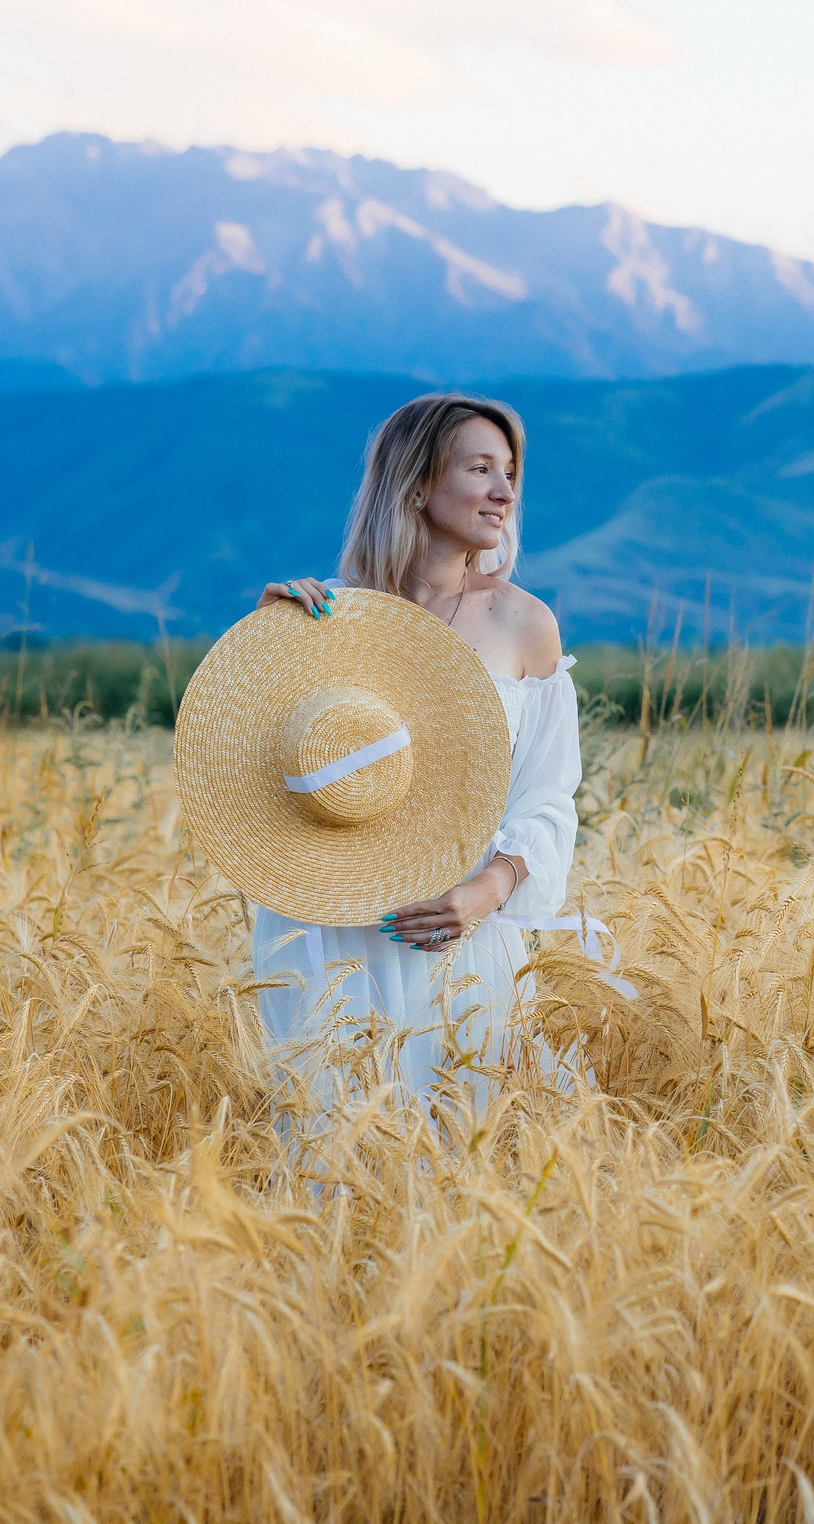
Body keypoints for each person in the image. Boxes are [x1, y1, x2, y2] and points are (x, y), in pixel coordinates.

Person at [249, 392, 598, 1114]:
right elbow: (257, 773)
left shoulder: (523, 622)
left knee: (462, 1143)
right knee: (334, 1150)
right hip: (329, 921)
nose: (504, 491)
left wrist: (485, 893)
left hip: (456, 928)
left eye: (510, 472)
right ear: (415, 483)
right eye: (480, 469)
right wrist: (266, 648)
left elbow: (548, 796)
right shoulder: (328, 615)